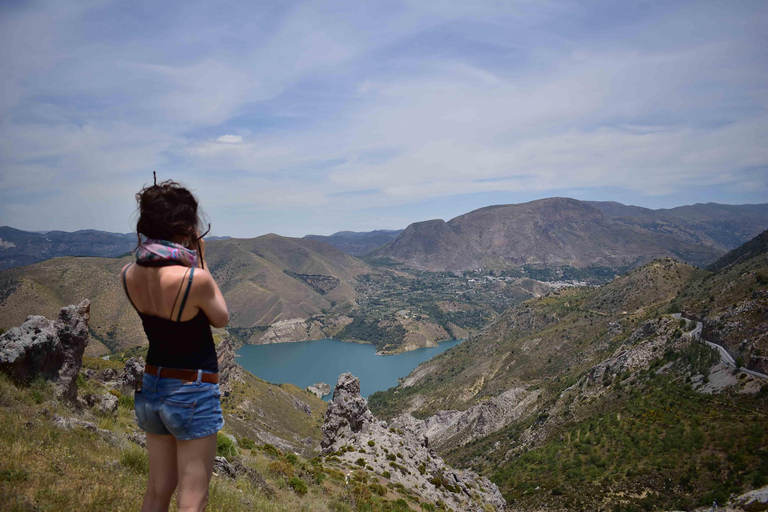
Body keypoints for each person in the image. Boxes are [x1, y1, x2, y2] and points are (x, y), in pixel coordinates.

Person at [121, 178, 229, 512]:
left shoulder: (128, 274)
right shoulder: (195, 279)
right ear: (186, 228)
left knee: (157, 491)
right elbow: (221, 318)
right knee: (193, 498)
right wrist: (200, 260)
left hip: (152, 385)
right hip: (191, 391)